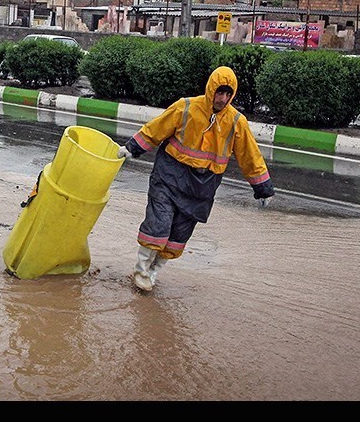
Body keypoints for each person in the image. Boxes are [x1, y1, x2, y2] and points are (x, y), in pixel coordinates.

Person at [117, 66, 274, 292]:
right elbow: (156, 129)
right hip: (169, 177)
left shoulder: (236, 122)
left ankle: (153, 271)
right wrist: (132, 148)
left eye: (228, 94)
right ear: (211, 90)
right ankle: (140, 270)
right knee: (158, 225)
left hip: (201, 188)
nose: (223, 99)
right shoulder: (186, 107)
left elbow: (250, 156)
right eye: (219, 93)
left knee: (178, 236)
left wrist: (263, 188)